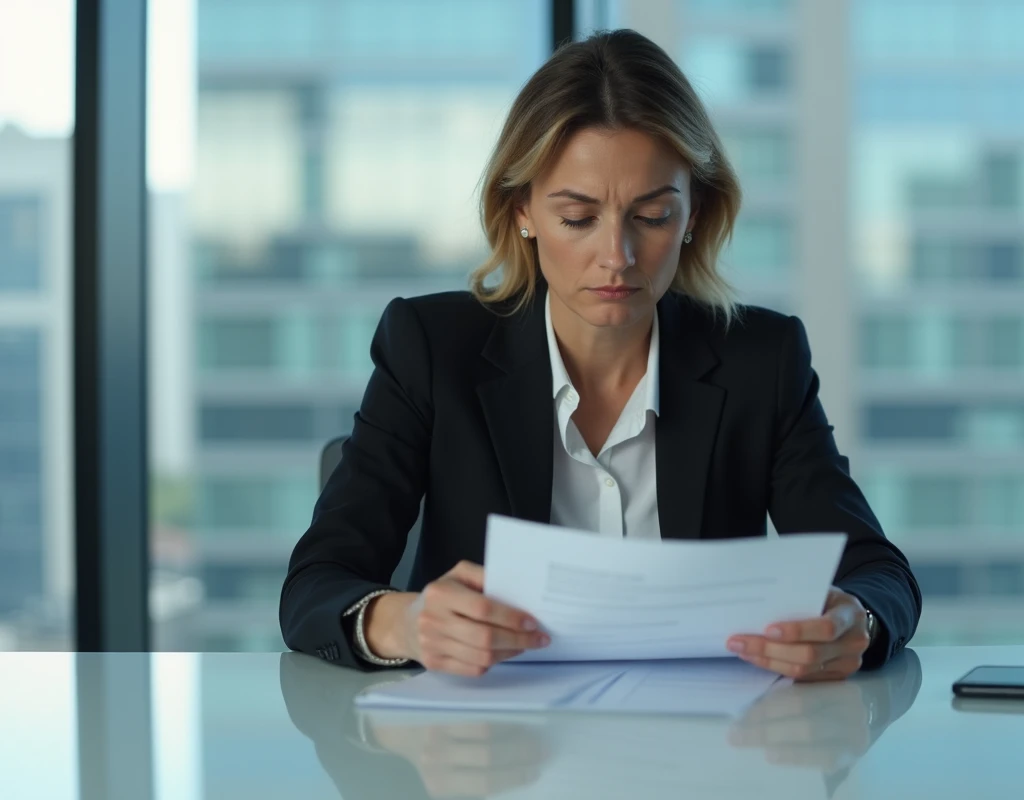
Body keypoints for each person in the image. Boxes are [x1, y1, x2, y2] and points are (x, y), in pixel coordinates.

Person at [280, 29, 921, 681]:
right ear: (522, 210)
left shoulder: (763, 361)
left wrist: (855, 624)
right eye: (578, 218)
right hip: (487, 758)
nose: (617, 256)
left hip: (702, 758)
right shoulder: (431, 348)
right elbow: (315, 584)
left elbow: (878, 573)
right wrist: (404, 622)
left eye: (652, 216)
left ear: (695, 211)